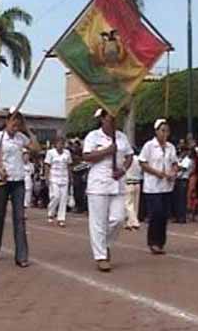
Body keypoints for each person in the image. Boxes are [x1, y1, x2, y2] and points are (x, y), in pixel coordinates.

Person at [0, 108, 40, 268]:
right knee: (0, 216)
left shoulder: (21, 138)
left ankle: (22, 256)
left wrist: (28, 130)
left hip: (18, 181)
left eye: (18, 125)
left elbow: (36, 149)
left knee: (19, 218)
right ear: (7, 122)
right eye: (13, 124)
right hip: (2, 181)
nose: (15, 128)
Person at [83, 108, 133, 272]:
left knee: (118, 219)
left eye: (115, 118)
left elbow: (129, 156)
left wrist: (123, 170)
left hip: (117, 182)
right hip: (98, 183)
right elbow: (87, 156)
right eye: (110, 118)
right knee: (98, 222)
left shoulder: (122, 137)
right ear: (103, 119)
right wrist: (106, 151)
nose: (113, 121)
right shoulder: (93, 136)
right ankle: (101, 256)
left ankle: (105, 245)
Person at [139, 119, 178, 255]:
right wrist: (156, 173)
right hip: (152, 187)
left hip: (166, 186)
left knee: (164, 216)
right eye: (162, 130)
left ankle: (160, 242)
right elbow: (143, 163)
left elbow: (174, 163)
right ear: (156, 131)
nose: (165, 134)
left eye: (167, 131)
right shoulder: (149, 146)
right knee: (156, 213)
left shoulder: (171, 147)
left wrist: (173, 172)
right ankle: (152, 242)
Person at [45, 136, 73, 227]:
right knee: (55, 196)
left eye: (62, 143)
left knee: (63, 198)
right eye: (59, 143)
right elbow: (47, 165)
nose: (61, 145)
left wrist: (70, 177)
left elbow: (69, 166)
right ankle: (51, 213)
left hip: (64, 178)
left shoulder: (67, 153)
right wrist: (47, 177)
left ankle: (61, 218)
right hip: (54, 178)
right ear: (55, 144)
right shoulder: (50, 153)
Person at [173, 143, 194, 223]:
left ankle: (182, 217)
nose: (181, 152)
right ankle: (177, 216)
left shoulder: (188, 160)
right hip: (177, 179)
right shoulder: (179, 159)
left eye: (183, 151)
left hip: (183, 180)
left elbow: (183, 168)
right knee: (177, 199)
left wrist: (177, 167)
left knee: (182, 199)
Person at [124, 149, 142, 230]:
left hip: (128, 182)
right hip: (137, 182)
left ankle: (134, 222)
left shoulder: (126, 160)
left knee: (128, 204)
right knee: (135, 204)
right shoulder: (139, 159)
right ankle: (130, 222)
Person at [23, 150, 34, 218]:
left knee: (27, 199)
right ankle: (22, 212)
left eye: (27, 155)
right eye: (25, 155)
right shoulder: (19, 164)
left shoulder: (31, 165)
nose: (26, 157)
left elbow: (32, 173)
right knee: (21, 199)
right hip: (21, 182)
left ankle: (24, 211)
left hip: (28, 183)